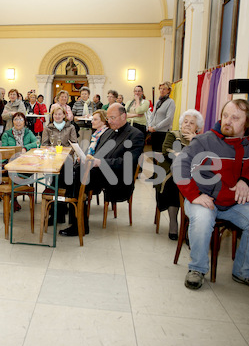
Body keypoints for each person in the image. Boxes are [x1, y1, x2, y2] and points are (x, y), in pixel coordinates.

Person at [173, 99, 249, 291]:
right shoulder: (205, 141)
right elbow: (180, 166)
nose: (227, 121)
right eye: (225, 115)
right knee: (202, 219)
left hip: (234, 203)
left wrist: (247, 180)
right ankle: (197, 269)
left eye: (235, 118)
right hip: (203, 198)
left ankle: (245, 271)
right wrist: (194, 196)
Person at [59, 104, 144, 236]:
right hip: (99, 172)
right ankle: (69, 215)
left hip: (118, 176)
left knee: (78, 176)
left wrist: (99, 162)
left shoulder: (135, 135)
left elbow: (128, 162)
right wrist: (87, 158)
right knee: (69, 170)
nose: (109, 121)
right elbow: (97, 153)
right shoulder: (109, 132)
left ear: (124, 116)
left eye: (112, 118)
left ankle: (79, 225)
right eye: (108, 118)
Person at [155, 109, 203, 240]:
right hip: (171, 170)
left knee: (202, 187)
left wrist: (195, 140)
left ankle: (190, 226)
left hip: (194, 174)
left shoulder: (201, 139)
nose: (187, 124)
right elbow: (166, 149)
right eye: (185, 122)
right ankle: (174, 222)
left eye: (191, 123)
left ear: (197, 127)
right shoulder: (173, 134)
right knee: (173, 184)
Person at [148, 81, 176, 152]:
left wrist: (155, 127)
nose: (161, 90)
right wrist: (149, 125)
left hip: (163, 132)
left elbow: (169, 118)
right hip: (154, 131)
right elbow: (152, 115)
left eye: (164, 89)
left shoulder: (171, 102)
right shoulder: (158, 102)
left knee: (160, 154)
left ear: (168, 90)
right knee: (154, 153)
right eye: (160, 89)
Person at [72, 86, 95, 152]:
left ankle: (84, 161)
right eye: (82, 94)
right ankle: (78, 161)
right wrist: (78, 118)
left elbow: (96, 115)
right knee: (78, 147)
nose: (84, 95)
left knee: (86, 147)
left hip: (89, 128)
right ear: (80, 95)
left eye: (85, 94)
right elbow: (72, 116)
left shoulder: (92, 104)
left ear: (88, 95)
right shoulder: (76, 104)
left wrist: (91, 116)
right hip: (78, 128)